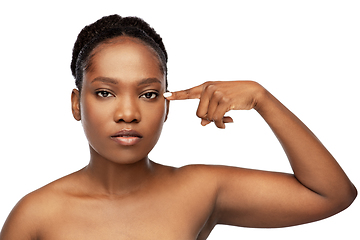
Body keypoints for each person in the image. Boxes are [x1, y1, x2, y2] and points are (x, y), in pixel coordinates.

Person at [0, 14, 356, 240]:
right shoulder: (35, 215)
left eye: (149, 94)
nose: (128, 113)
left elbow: (332, 195)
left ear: (167, 106)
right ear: (77, 104)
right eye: (106, 92)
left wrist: (262, 98)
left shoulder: (199, 188)